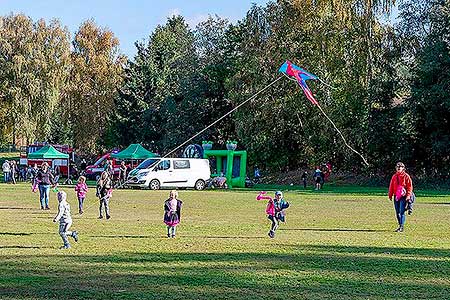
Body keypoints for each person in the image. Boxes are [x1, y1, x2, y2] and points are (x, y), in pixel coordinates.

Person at [388, 162, 413, 232]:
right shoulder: (394, 176)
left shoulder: (406, 176)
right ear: (396, 168)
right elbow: (391, 186)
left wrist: (408, 196)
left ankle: (401, 227)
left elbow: (409, 187)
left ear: (403, 168)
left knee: (401, 211)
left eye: (400, 166)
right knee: (397, 212)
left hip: (404, 196)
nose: (399, 168)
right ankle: (400, 225)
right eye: (397, 167)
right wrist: (390, 194)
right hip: (396, 196)